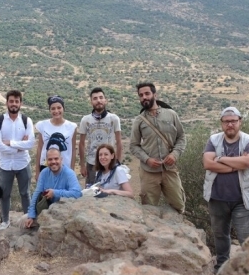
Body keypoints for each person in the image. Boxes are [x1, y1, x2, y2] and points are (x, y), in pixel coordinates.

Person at [202, 107, 249, 273]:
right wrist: (236, 165)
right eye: (226, 121)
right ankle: (221, 267)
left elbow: (248, 162)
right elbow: (207, 163)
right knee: (220, 235)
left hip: (244, 199)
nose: (230, 124)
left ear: (240, 122)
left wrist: (220, 159)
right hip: (217, 197)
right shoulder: (213, 140)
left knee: (247, 238)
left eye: (233, 121)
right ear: (221, 123)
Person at [129, 82, 186, 213]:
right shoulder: (139, 120)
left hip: (170, 169)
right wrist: (147, 159)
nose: (144, 97)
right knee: (148, 209)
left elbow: (181, 137)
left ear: (155, 95)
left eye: (147, 93)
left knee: (179, 205)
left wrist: (174, 154)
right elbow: (133, 145)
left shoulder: (171, 114)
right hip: (149, 171)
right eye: (141, 95)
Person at [0, 90, 35, 230]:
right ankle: (5, 221)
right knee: (5, 195)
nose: (14, 104)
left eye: (16, 101)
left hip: (23, 163)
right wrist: (19, 147)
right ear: (7, 103)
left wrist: (10, 143)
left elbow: (30, 144)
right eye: (11, 101)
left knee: (25, 193)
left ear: (20, 103)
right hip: (5, 165)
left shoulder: (26, 121)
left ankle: (28, 220)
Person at [23, 147, 82, 228]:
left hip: (65, 212)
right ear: (47, 161)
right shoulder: (44, 173)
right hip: (47, 211)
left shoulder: (69, 173)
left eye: (56, 159)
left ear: (61, 159)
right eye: (50, 159)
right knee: (23, 221)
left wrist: (55, 193)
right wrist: (31, 215)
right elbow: (36, 193)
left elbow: (77, 193)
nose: (53, 162)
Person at [78, 87, 122, 187]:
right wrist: (82, 165)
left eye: (101, 97)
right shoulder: (85, 120)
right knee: (91, 191)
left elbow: (119, 142)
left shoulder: (114, 119)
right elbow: (81, 143)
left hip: (109, 162)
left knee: (110, 190)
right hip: (92, 163)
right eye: (95, 98)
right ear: (91, 102)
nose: (98, 100)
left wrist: (118, 162)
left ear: (105, 100)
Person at [34, 95, 78, 182]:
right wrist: (37, 171)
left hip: (65, 167)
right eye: (53, 108)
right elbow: (40, 148)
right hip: (46, 166)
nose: (56, 111)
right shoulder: (42, 125)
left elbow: (73, 150)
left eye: (59, 108)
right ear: (49, 110)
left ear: (63, 108)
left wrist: (72, 170)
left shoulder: (72, 127)